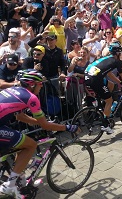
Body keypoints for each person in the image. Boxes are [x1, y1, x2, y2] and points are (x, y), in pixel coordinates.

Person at [0, 70, 79, 198]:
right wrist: (68, 127)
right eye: (39, 83)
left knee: (21, 145)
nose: (42, 86)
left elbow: (20, 116)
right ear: (32, 84)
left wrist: (37, 121)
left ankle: (20, 180)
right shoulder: (31, 98)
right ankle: (9, 185)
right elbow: (45, 126)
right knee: (31, 145)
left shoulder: (15, 90)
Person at [85, 42, 122, 134]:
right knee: (109, 100)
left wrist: (119, 82)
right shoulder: (116, 61)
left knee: (111, 84)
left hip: (88, 77)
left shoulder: (106, 58)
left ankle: (104, 104)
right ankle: (105, 124)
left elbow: (109, 73)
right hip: (95, 79)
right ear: (118, 53)